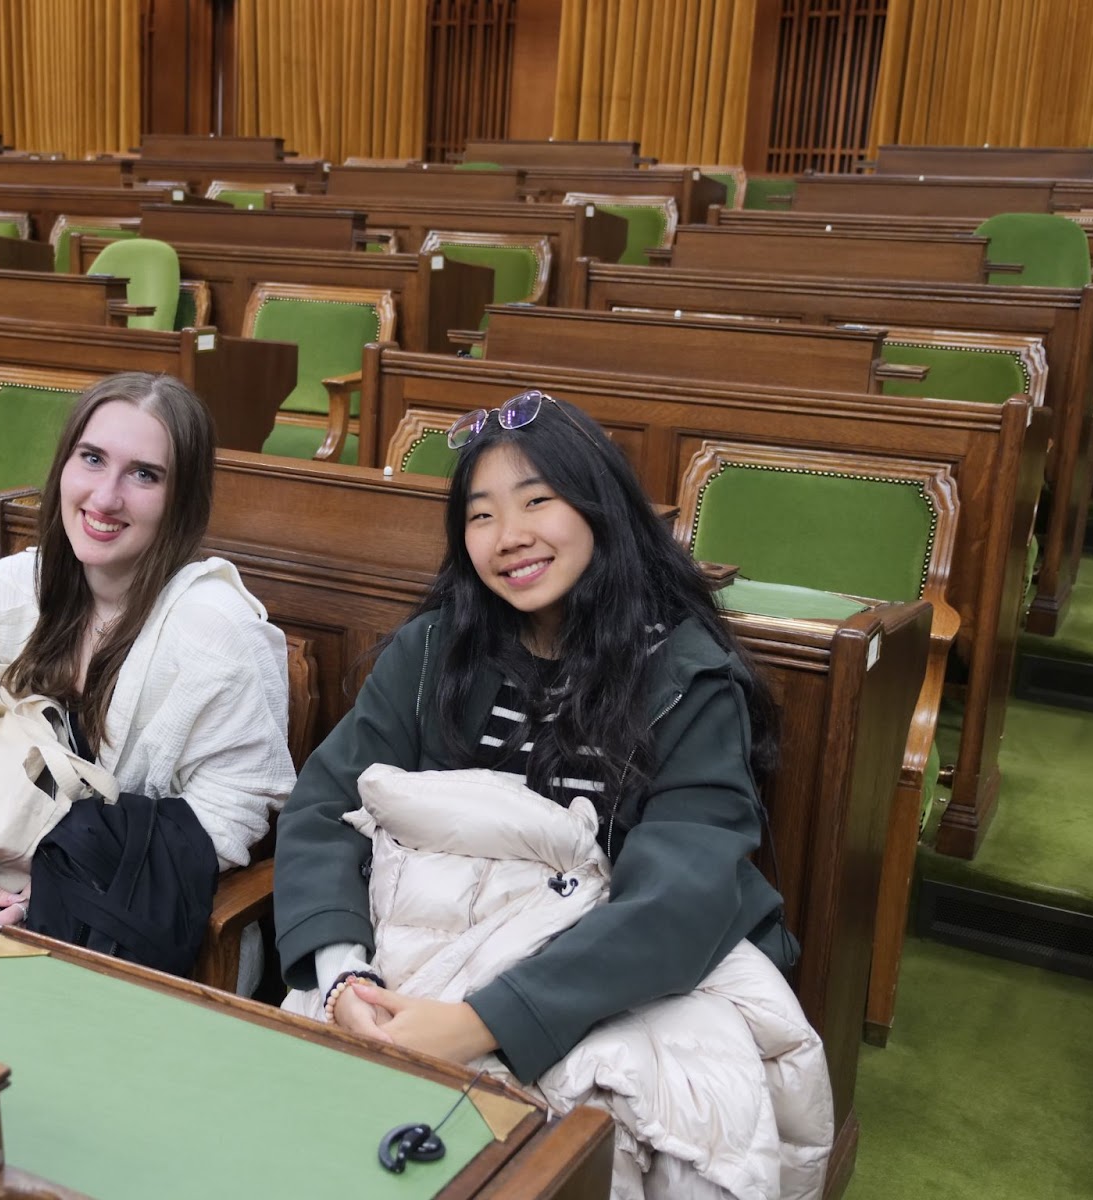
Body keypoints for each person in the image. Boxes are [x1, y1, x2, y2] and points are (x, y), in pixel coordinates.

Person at [273, 388, 804, 1081]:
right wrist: (344, 976)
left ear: (599, 507)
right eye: (481, 515)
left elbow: (682, 894)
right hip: (417, 949)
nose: (509, 536)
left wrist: (483, 1023)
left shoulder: (686, 676)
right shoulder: (435, 651)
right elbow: (322, 808)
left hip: (605, 974)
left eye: (536, 501)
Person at [0, 371, 294, 934]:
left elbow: (230, 814)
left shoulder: (220, 637)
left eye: (144, 475)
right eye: (93, 458)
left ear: (182, 501)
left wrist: (60, 887)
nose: (105, 498)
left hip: (112, 919)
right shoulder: (2, 594)